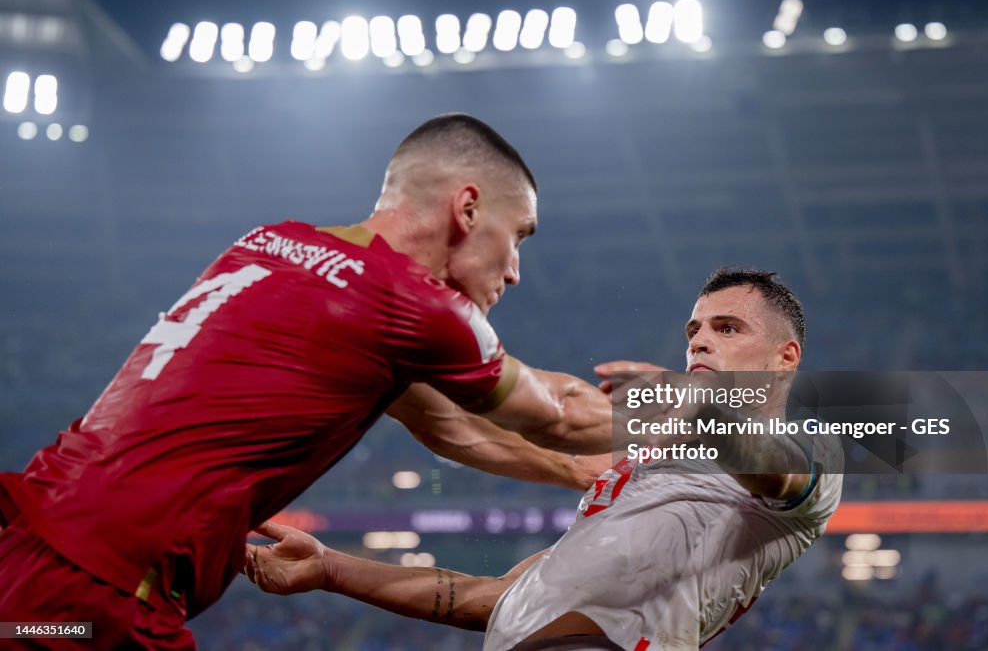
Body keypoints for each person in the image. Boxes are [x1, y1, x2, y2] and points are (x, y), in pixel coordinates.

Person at [0, 114, 615, 649]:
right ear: (468, 208)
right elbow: (561, 410)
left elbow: (448, 423)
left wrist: (574, 472)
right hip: (93, 594)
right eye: (518, 237)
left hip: (34, 547)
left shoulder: (270, 245)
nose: (515, 270)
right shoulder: (410, 302)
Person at [245, 269, 844, 651]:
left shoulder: (807, 452)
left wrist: (692, 403)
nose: (699, 340)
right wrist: (332, 570)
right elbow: (494, 601)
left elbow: (772, 466)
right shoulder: (630, 488)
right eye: (693, 330)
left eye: (728, 327)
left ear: (784, 357)